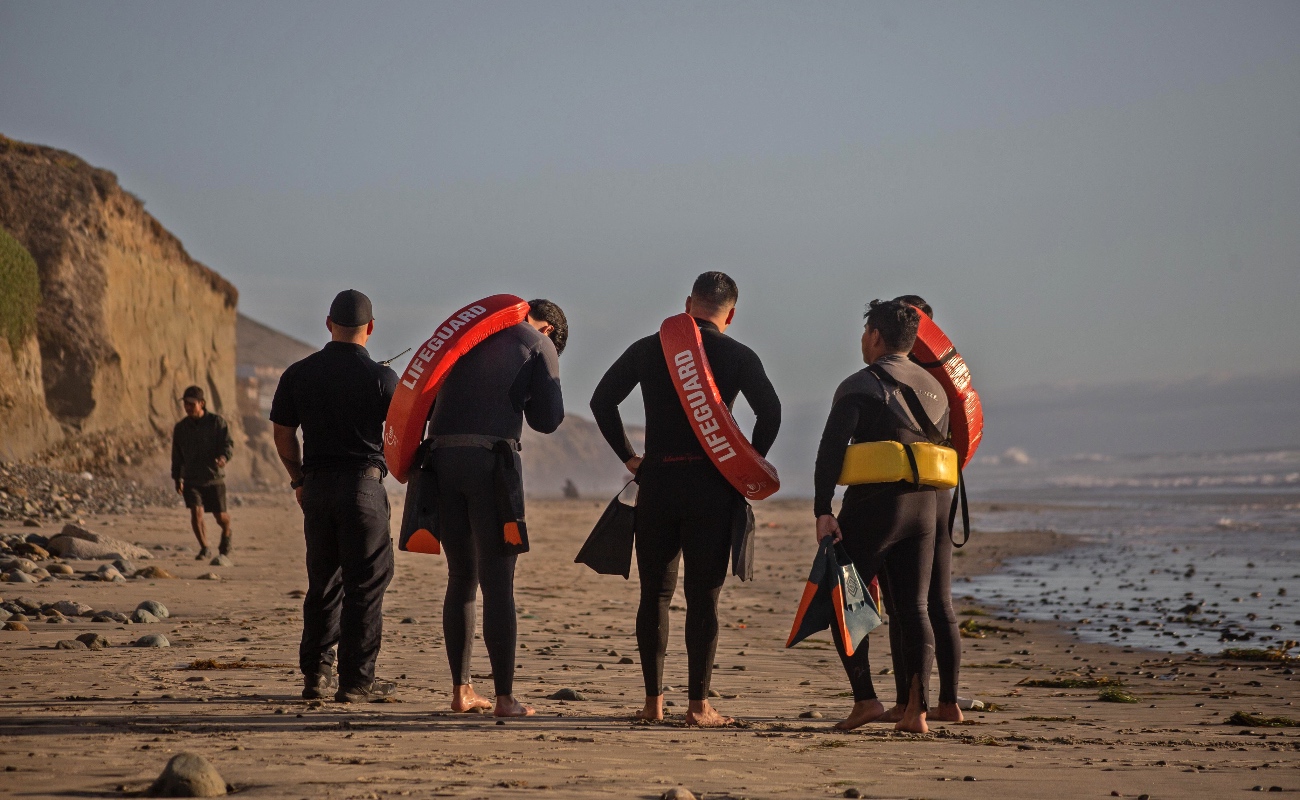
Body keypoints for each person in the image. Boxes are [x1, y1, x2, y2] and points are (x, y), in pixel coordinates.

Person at [590, 272, 781, 727]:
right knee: (703, 598)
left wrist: (631, 458)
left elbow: (602, 401)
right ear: (730, 314)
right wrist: (744, 463)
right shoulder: (738, 355)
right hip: (712, 488)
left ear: (688, 303)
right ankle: (698, 706)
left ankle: (653, 705)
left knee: (654, 594)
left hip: (657, 484)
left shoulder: (649, 348)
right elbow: (770, 412)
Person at [812, 298, 950, 733]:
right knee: (914, 608)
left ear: (874, 336)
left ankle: (866, 700)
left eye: (864, 333)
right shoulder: (937, 389)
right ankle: (917, 711)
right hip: (925, 508)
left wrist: (822, 508)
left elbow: (831, 451)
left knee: (846, 601)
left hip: (876, 506)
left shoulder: (861, 383)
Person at [427, 298, 566, 718]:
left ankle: (461, 691)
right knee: (498, 580)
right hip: (490, 465)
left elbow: (427, 400)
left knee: (461, 576)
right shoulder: (538, 345)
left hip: (440, 461)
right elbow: (549, 418)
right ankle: (505, 699)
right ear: (549, 331)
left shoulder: (471, 335)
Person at [270, 290, 399, 703]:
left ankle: (317, 674)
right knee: (366, 585)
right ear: (371, 328)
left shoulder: (298, 373)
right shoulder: (381, 378)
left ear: (328, 324)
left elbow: (283, 433)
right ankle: (357, 681)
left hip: (318, 488)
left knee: (323, 582)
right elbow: (403, 434)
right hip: (364, 486)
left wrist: (298, 479)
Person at [877, 294, 964, 724]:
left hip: (908, 497)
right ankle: (946, 703)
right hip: (941, 492)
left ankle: (908, 702)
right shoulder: (944, 381)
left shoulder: (887, 378)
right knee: (937, 602)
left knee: (905, 606)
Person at [171, 385, 235, 560]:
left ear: (202, 403)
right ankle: (205, 547)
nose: (188, 407)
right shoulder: (181, 428)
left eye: (191, 404)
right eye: (186, 404)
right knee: (196, 512)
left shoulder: (217, 423)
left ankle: (227, 532)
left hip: (213, 477)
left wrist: (223, 457)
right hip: (192, 478)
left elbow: (228, 444)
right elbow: (177, 455)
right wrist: (177, 477)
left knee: (220, 517)